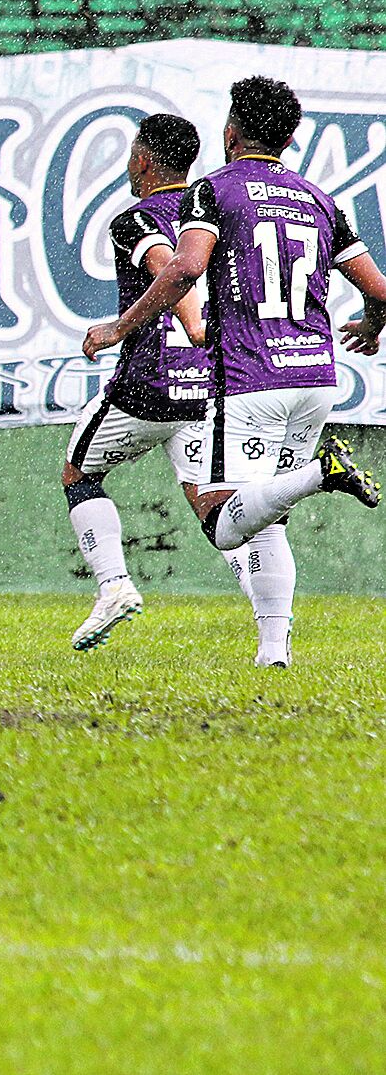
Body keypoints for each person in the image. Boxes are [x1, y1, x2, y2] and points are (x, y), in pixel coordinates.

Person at [84, 76, 385, 667]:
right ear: (292, 137)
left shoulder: (212, 192)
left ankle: (323, 475)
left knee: (224, 524)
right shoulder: (320, 199)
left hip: (251, 377)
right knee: (270, 517)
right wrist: (373, 325)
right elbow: (380, 290)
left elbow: (183, 270)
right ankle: (274, 656)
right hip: (316, 377)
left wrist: (120, 327)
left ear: (229, 132)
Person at [57, 114, 214, 650]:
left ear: (143, 159)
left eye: (131, 152)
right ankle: (274, 630)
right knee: (214, 510)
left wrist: (188, 322)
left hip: (149, 385)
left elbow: (169, 265)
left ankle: (114, 586)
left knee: (79, 473)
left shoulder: (136, 219)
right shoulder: (209, 212)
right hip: (206, 386)